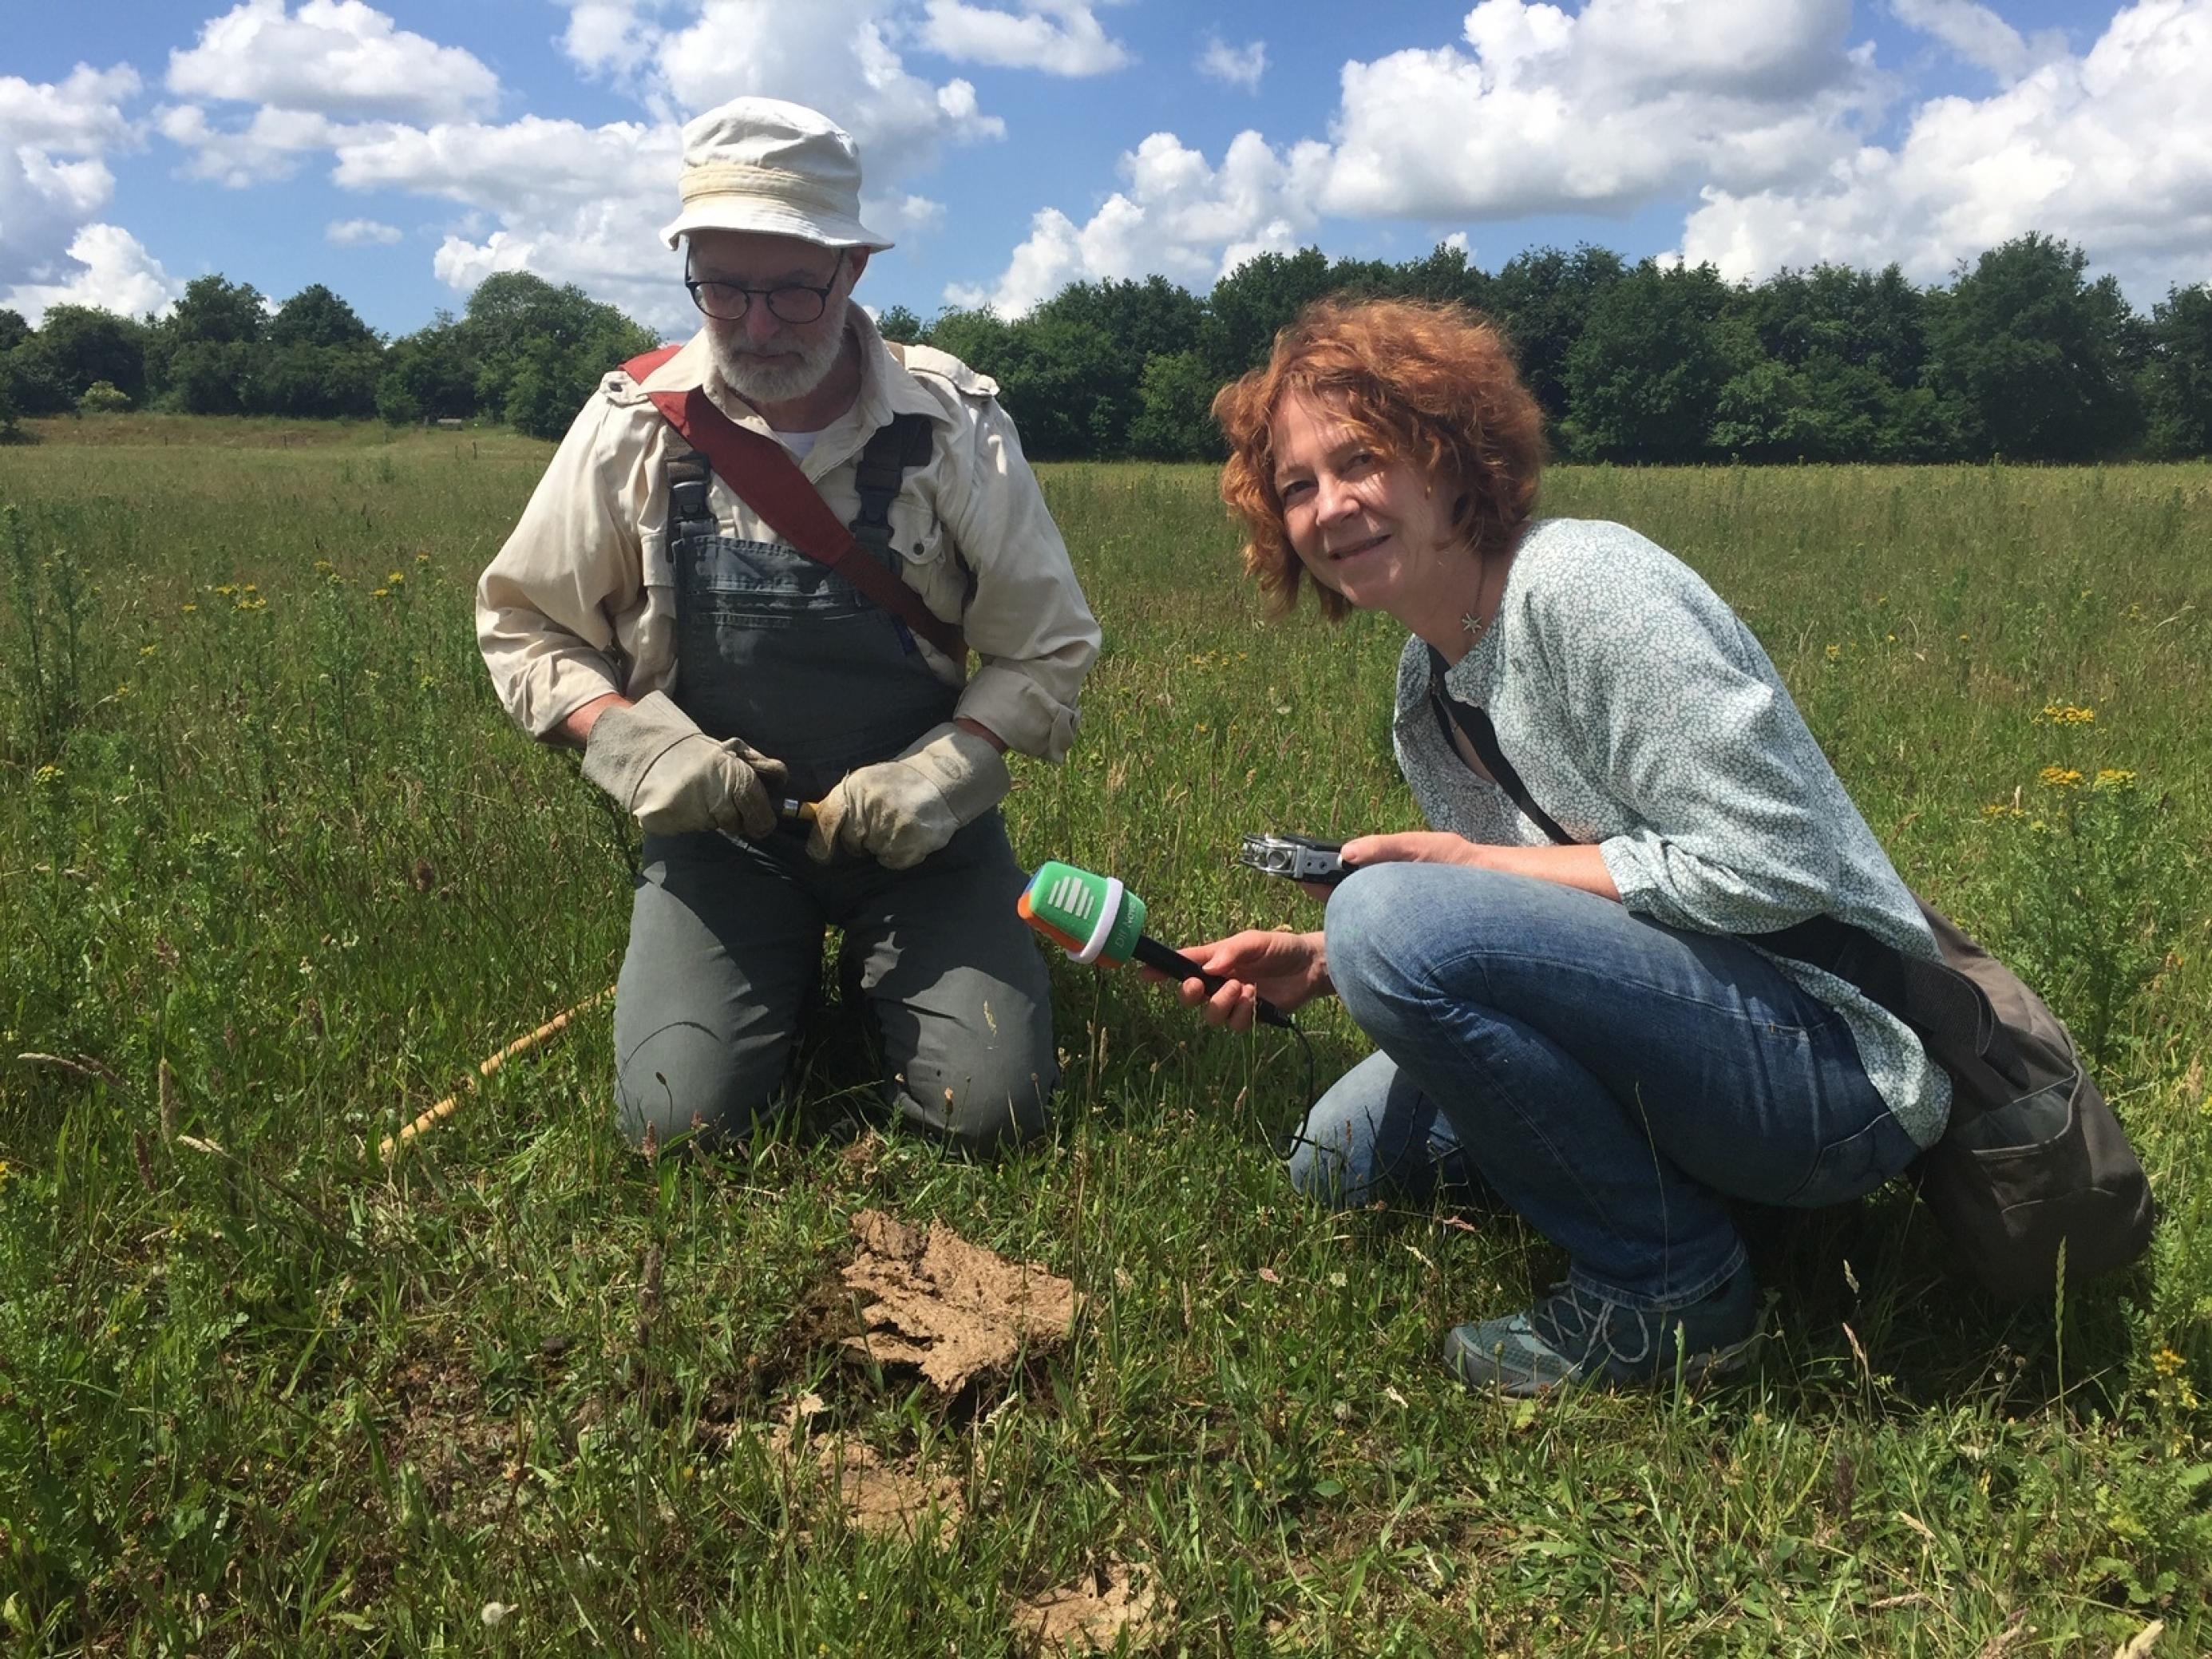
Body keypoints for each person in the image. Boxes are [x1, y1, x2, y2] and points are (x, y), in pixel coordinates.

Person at [1173, 297, 1951, 1396]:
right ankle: (1688, 1189)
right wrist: (1328, 960)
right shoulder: (1427, 689)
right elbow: (1550, 935)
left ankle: (1671, 1289)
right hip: (1698, 1026)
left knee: (1387, 911)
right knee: (1331, 1161)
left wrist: (1447, 885)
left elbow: (1777, 863)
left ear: (1450, 459)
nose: (1331, 505)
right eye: (1297, 485)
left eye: (1361, 460)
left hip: (1835, 1060)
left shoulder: (1586, 585)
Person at [477, 97, 1099, 1156]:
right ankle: (764, 981)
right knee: (677, 1120)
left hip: (923, 846)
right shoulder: (635, 423)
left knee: (992, 1111)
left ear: (853, 269)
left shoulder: (951, 426)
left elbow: (1048, 646)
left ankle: (869, 981)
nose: (758, 325)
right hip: (725, 842)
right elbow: (524, 623)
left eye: (794, 290)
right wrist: (634, 745)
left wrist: (942, 778)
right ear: (690, 268)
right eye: (723, 286)